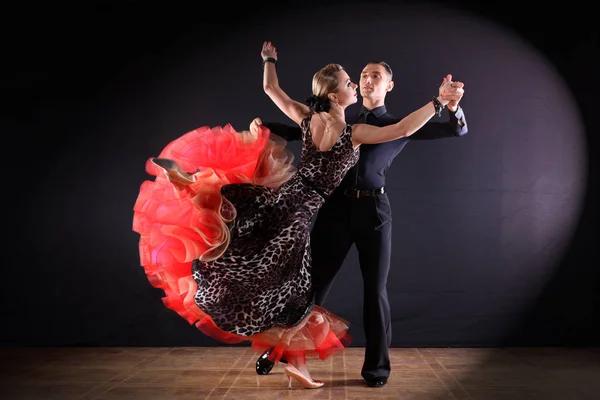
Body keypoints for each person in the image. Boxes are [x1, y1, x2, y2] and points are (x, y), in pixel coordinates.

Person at [132, 40, 459, 390]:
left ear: (387, 84)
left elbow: (272, 88)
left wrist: (269, 59)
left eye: (366, 78)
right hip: (309, 210)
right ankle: (289, 356)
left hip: (292, 198)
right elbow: (405, 129)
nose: (358, 84)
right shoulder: (355, 134)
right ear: (336, 97)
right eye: (353, 81)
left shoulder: (308, 118)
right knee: (287, 279)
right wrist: (436, 101)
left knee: (240, 221)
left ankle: (192, 185)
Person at [254, 59, 468, 387]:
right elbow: (299, 126)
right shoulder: (343, 120)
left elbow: (455, 128)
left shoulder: (397, 124)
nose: (366, 81)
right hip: (334, 211)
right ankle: (282, 350)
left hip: (374, 212)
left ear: (388, 86)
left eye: (375, 76)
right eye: (363, 76)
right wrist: (264, 128)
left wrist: (450, 105)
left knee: (375, 292)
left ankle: (377, 370)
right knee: (310, 288)